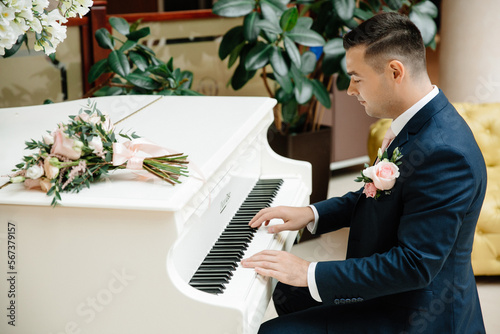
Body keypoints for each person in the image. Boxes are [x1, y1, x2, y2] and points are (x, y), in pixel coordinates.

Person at [241, 12, 487, 333]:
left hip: (417, 310)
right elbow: (376, 194)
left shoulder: (444, 152)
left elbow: (414, 265)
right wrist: (311, 213)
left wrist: (308, 271)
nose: (350, 89)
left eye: (356, 77)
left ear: (394, 71)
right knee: (288, 293)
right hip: (398, 289)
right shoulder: (415, 121)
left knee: (273, 329)